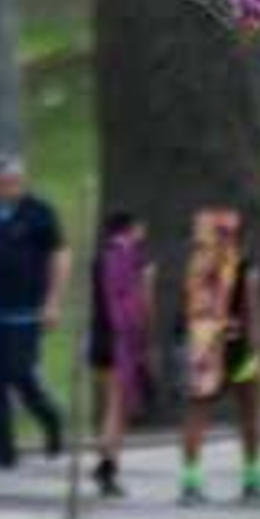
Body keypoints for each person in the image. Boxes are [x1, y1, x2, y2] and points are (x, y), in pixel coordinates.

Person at [0, 152, 70, 470]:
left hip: (27, 311)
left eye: (10, 183)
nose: (4, 189)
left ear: (21, 183)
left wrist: (53, 302)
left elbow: (59, 256)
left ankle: (50, 418)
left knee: (21, 374)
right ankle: (1, 449)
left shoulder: (39, 213)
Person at [177, 206, 260, 505]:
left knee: (198, 414)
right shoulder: (244, 267)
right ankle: (253, 478)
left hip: (204, 346)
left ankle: (191, 482)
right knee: (250, 412)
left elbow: (187, 311)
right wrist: (258, 352)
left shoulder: (196, 270)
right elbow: (251, 313)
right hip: (238, 346)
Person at [92, 210, 155, 498]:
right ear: (132, 229)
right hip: (121, 340)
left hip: (99, 338)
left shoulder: (100, 256)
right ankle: (108, 465)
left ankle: (106, 460)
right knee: (117, 409)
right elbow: (141, 303)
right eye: (141, 228)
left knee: (109, 405)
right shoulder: (133, 258)